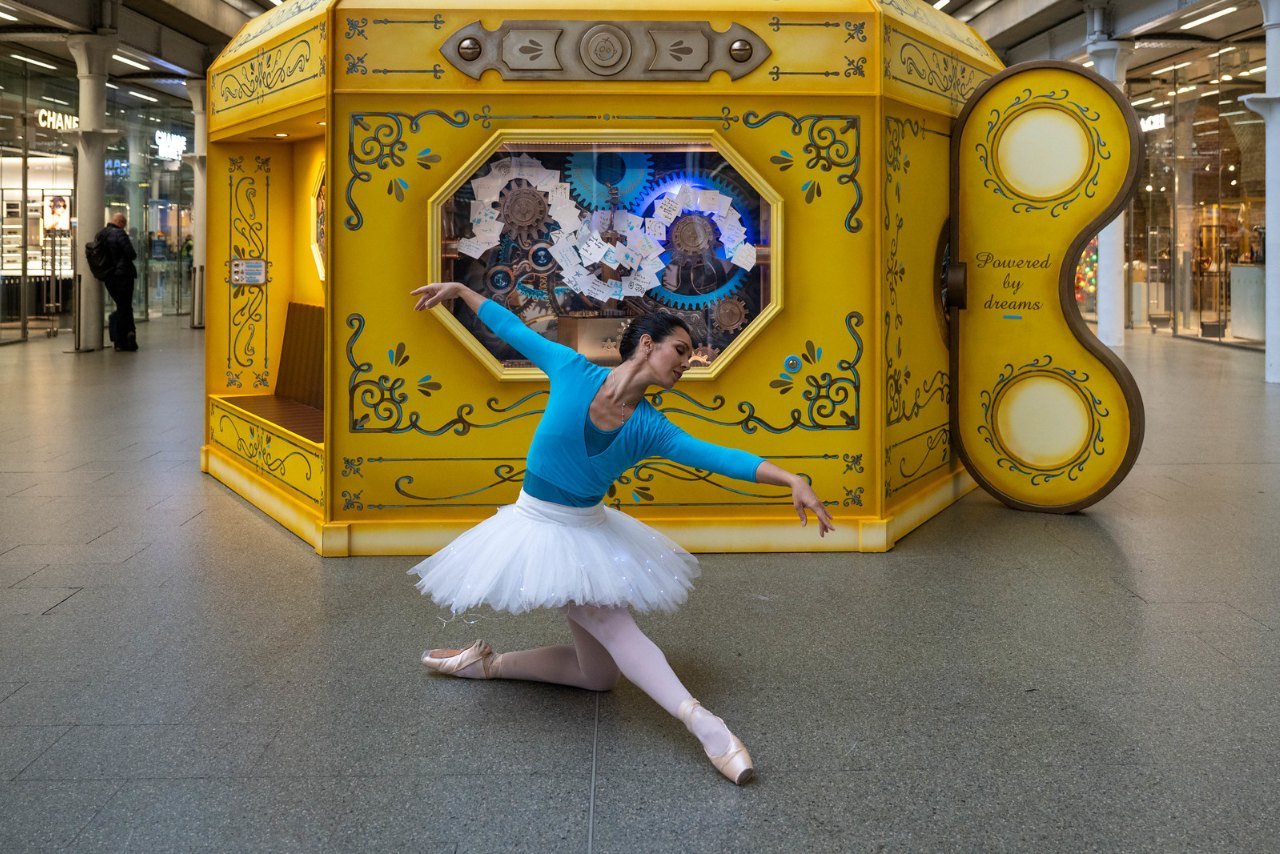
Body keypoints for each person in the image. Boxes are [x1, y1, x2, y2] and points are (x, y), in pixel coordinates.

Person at [407, 281, 835, 785]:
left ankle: (485, 663)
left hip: (585, 530)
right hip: (536, 527)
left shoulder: (651, 427)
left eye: (691, 355)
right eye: (680, 349)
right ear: (648, 344)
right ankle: (707, 727)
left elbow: (719, 457)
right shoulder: (571, 369)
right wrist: (460, 289)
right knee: (612, 624)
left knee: (598, 677)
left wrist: (790, 478)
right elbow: (512, 329)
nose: (686, 362)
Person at [96, 213, 138, 352]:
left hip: (109, 276)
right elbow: (131, 254)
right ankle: (124, 338)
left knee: (123, 306)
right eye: (124, 224)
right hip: (123, 275)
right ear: (120, 222)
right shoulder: (120, 234)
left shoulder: (100, 235)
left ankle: (125, 338)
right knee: (125, 307)